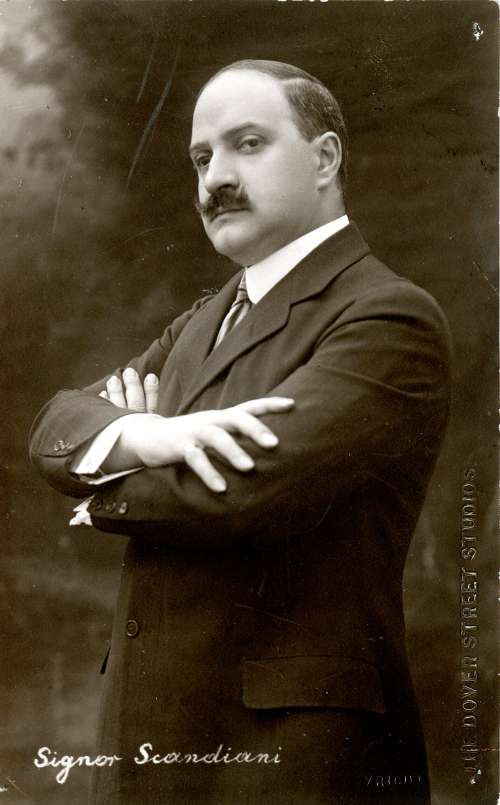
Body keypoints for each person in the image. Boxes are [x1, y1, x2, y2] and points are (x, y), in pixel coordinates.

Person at [29, 60, 452, 804]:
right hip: (150, 749)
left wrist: (100, 487)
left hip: (289, 761)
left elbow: (242, 486)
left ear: (324, 159)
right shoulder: (205, 318)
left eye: (247, 144)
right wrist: (148, 438)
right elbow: (56, 426)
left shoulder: (388, 317)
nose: (215, 178)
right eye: (202, 157)